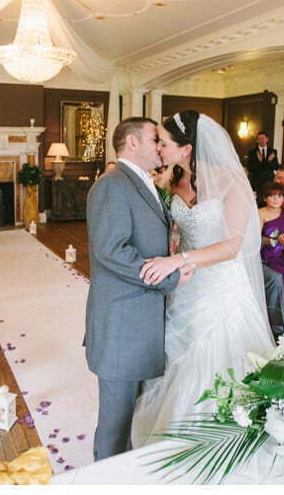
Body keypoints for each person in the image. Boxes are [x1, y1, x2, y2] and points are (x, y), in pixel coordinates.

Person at [129, 110, 275, 449]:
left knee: (216, 356)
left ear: (187, 149)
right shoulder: (172, 181)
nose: (159, 149)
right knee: (178, 354)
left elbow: (233, 246)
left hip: (223, 287)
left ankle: (218, 439)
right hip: (186, 285)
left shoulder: (230, 180)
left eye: (164, 143)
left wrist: (177, 259)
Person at [84, 117, 196, 461]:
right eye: (154, 139)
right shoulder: (112, 184)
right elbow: (111, 251)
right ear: (132, 143)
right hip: (122, 325)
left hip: (141, 319)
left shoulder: (142, 183)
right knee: (115, 427)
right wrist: (170, 276)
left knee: (136, 418)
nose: (160, 146)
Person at [258, 182, 284, 335]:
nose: (276, 199)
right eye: (272, 196)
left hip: (281, 255)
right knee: (279, 278)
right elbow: (255, 239)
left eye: (280, 196)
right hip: (264, 256)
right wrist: (274, 240)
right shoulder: (260, 213)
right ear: (265, 198)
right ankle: (280, 326)